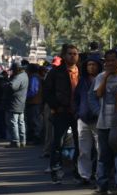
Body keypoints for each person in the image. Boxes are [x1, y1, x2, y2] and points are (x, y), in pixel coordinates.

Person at [43, 44, 80, 184]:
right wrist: (55, 106)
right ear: (64, 56)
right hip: (61, 112)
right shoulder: (55, 72)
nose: (72, 56)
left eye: (75, 53)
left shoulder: (81, 71)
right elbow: (46, 91)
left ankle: (78, 171)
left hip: (78, 113)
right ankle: (56, 170)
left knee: (79, 144)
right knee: (58, 143)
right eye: (70, 53)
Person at [93, 49, 117, 195]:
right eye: (107, 61)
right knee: (104, 156)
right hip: (103, 122)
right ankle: (103, 185)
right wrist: (106, 77)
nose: (110, 63)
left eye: (113, 60)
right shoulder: (100, 76)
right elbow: (98, 94)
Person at [75, 56, 102, 186]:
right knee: (83, 150)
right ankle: (84, 175)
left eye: (94, 64)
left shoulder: (102, 79)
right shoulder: (82, 81)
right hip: (83, 119)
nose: (91, 67)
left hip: (98, 119)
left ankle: (99, 175)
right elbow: (76, 97)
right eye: (89, 65)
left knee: (100, 149)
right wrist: (77, 113)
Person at [4, 61, 29, 148]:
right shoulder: (24, 75)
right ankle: (23, 140)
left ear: (16, 69)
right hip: (21, 102)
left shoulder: (18, 77)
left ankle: (15, 141)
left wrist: (7, 84)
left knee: (13, 123)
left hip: (15, 103)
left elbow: (12, 86)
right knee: (21, 122)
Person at [25, 63, 43, 144]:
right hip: (34, 102)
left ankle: (36, 138)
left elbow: (33, 91)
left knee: (34, 121)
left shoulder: (34, 77)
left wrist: (24, 96)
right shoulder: (34, 76)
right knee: (32, 120)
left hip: (34, 102)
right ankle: (32, 138)